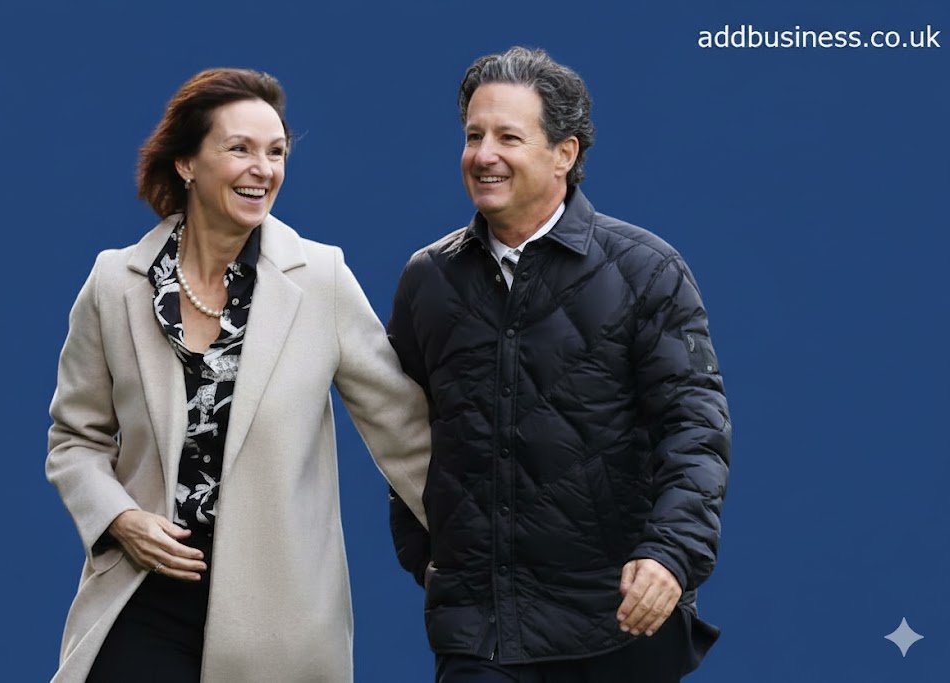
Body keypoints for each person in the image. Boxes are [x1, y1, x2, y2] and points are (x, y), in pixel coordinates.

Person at [46, 68, 431, 682]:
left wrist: (494, 557)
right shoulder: (115, 283)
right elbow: (75, 440)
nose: (263, 169)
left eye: (276, 152)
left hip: (278, 617)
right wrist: (120, 519)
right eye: (240, 149)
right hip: (143, 592)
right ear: (187, 164)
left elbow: (407, 436)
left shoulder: (321, 280)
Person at [387, 47, 730, 682]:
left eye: (508, 137)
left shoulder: (647, 270)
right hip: (479, 634)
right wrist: (431, 561)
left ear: (564, 154)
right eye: (473, 136)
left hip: (617, 628)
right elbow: (404, 433)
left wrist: (671, 554)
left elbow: (695, 432)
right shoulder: (427, 279)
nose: (483, 154)